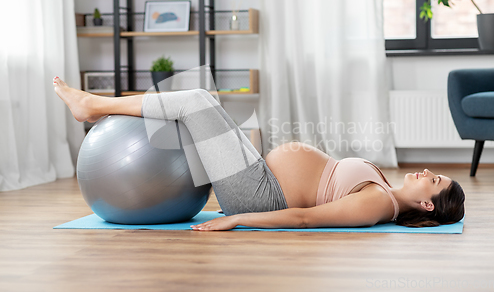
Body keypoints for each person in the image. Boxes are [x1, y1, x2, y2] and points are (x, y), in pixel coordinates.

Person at [53, 76, 465, 231]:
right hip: (259, 176)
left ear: (428, 203)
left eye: (434, 179)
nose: (427, 171)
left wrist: (237, 219)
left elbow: (304, 219)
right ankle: (95, 105)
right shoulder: (383, 188)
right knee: (202, 101)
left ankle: (93, 106)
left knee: (196, 100)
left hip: (259, 194)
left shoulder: (378, 204)